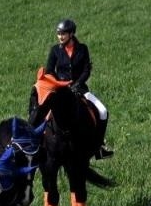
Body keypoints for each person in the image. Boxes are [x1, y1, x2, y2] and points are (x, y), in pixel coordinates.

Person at [44, 19, 111, 156]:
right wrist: (60, 84)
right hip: (60, 90)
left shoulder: (82, 49)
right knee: (40, 112)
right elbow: (49, 71)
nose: (60, 37)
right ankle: (36, 146)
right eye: (58, 34)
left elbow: (86, 70)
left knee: (103, 111)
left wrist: (77, 84)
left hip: (80, 89)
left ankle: (98, 146)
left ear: (71, 34)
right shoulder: (55, 50)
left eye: (63, 34)